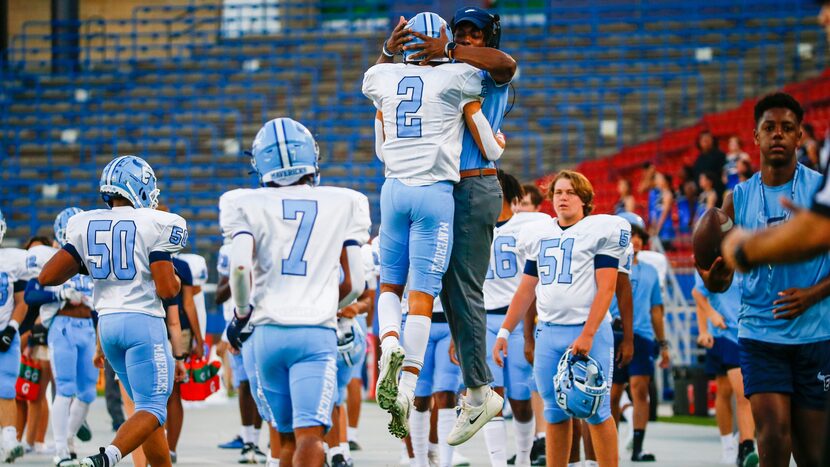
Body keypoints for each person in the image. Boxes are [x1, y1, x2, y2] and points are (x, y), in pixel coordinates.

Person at [364, 10, 506, 442]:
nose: (465, 41)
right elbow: (490, 147)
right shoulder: (460, 77)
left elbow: (380, 146)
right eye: (457, 34)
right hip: (441, 191)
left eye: (473, 35)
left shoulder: (385, 78)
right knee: (432, 292)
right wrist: (497, 144)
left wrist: (392, 50)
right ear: (444, 40)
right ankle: (417, 385)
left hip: (408, 187)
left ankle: (470, 388)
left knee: (417, 289)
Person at [220, 117, 369, 467]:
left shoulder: (244, 202)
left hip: (265, 333)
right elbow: (357, 282)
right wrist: (330, 304)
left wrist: (241, 316)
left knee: (283, 439)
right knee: (311, 436)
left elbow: (241, 268)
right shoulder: (343, 201)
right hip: (314, 331)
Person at [700, 93, 830, 467]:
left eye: (787, 128)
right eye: (769, 128)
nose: (778, 135)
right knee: (772, 437)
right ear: (755, 137)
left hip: (816, 336)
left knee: (813, 453)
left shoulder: (821, 190)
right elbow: (717, 283)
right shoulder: (735, 200)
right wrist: (717, 275)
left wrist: (812, 295)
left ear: (800, 136)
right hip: (760, 334)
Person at [39, 155, 188, 467]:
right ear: (141, 187)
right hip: (142, 322)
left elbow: (48, 276)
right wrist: (173, 280)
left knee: (145, 415)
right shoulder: (157, 222)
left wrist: (91, 263)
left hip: (107, 325)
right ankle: (106, 458)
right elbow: (166, 289)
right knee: (154, 409)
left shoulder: (84, 222)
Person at [493, 170, 629, 467]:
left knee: (596, 409)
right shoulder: (539, 234)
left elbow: (607, 288)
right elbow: (525, 290)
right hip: (549, 332)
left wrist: (589, 334)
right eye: (558, 192)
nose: (563, 197)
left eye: (570, 192)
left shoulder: (600, 230)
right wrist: (504, 331)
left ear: (584, 199)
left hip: (587, 331)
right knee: (554, 412)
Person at [481, 170, 548, 466]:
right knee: (489, 397)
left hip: (519, 321)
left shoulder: (531, 224)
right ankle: (498, 463)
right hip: (484, 320)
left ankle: (522, 458)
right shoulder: (472, 224)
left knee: (521, 398)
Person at [23, 207, 98, 467]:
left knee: (88, 392)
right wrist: (59, 295)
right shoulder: (52, 258)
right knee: (65, 389)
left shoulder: (92, 259)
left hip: (88, 328)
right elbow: (31, 294)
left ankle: (67, 439)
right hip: (62, 327)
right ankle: (62, 450)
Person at [608, 220, 669, 462]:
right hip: (614, 334)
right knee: (612, 394)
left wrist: (663, 344)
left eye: (638, 237)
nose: (635, 240)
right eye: (630, 236)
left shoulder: (651, 272)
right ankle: (610, 444)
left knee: (640, 390)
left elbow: (656, 310)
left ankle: (638, 446)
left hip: (642, 336)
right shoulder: (609, 268)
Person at [692, 272, 757, 466]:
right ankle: (728, 443)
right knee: (724, 390)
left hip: (744, 333)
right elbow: (699, 295)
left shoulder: (747, 259)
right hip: (721, 335)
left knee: (743, 394)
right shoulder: (713, 260)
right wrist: (704, 328)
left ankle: (746, 446)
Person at [0, 208, 28, 463]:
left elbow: (22, 301)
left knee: (7, 387)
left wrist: (12, 328)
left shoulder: (12, 261)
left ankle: (9, 441)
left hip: (6, 332)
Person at [647, 172, 675, 249]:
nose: (658, 181)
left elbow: (664, 214)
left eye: (660, 179)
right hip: (658, 226)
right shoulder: (659, 194)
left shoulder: (667, 194)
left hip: (665, 227)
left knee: (662, 250)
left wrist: (657, 228)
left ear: (665, 181)